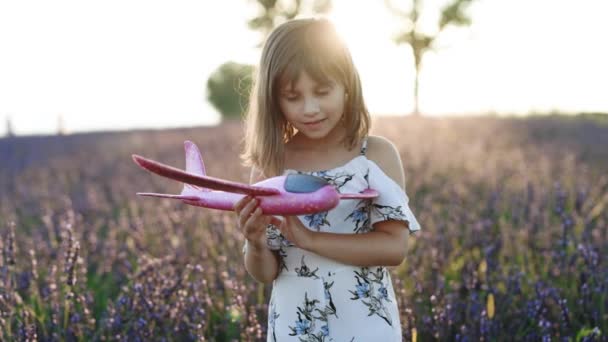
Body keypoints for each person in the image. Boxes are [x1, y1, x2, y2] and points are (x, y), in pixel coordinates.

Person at [233, 17, 421, 341]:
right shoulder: (271, 166)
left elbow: (394, 247)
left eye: (322, 91)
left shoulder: (373, 156)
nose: (310, 108)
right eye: (292, 96)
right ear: (273, 99)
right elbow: (266, 273)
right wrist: (254, 242)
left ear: (347, 84)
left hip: (364, 324)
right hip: (296, 326)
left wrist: (311, 240)